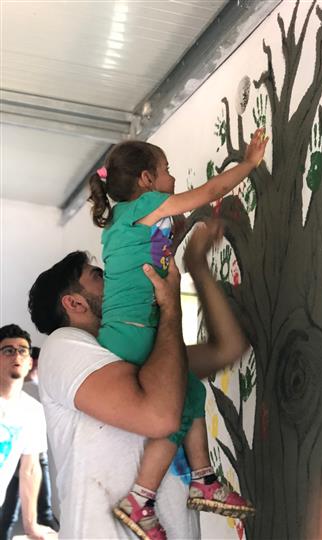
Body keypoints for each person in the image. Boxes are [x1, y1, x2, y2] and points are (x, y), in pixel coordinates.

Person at [86, 131, 267, 537]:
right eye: (166, 171)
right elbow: (211, 190)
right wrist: (251, 163)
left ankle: (201, 478)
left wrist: (179, 233)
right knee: (176, 405)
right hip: (138, 331)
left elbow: (153, 249)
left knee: (190, 395)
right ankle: (143, 497)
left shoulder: (119, 222)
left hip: (123, 334)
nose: (173, 177)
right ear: (147, 180)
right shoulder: (148, 205)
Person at [28, 221, 249, 540]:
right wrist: (170, 307)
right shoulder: (63, 345)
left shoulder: (140, 355)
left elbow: (227, 348)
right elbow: (160, 417)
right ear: (74, 303)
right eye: (99, 277)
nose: (116, 282)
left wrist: (197, 268)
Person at [0, 324, 55, 540]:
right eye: (8, 350)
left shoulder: (33, 410)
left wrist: (31, 526)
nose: (17, 355)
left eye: (23, 350)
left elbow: (30, 469)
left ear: (30, 362)